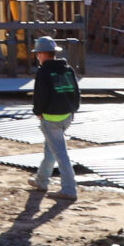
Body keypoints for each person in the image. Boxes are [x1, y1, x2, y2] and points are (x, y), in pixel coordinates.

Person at [31, 35, 82, 200]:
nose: (37, 56)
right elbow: (76, 93)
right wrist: (73, 110)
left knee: (60, 154)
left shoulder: (43, 71)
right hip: (66, 116)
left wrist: (38, 111)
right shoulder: (68, 69)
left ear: (43, 54)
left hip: (51, 118)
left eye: (38, 53)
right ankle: (41, 181)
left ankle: (69, 189)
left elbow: (40, 96)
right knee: (51, 150)